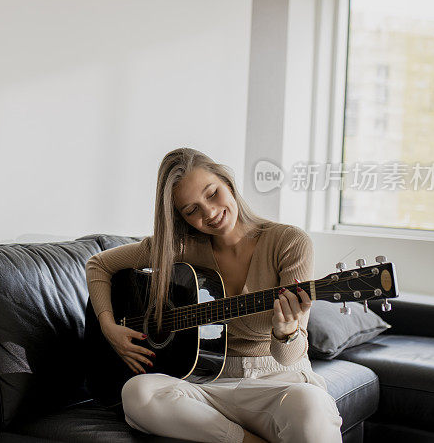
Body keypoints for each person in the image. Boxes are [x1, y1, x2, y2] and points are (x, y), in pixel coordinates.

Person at [85, 147, 344, 443]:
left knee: (309, 406)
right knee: (137, 392)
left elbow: (289, 357)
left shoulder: (288, 242)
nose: (209, 212)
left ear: (228, 183)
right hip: (208, 385)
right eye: (191, 210)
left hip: (278, 383)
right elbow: (98, 264)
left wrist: (286, 330)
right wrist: (109, 327)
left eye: (212, 193)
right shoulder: (181, 247)